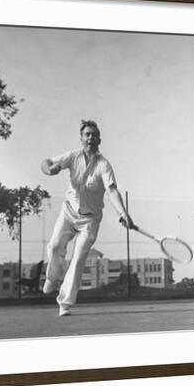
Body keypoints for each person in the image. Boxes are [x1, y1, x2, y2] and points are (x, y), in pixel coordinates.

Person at [41, 120, 134, 316]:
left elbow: (112, 190)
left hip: (90, 221)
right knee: (55, 247)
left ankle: (64, 303)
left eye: (94, 134)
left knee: (78, 259)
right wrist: (50, 170)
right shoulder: (72, 156)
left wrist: (123, 213)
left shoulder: (104, 165)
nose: (90, 137)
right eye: (87, 134)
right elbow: (46, 162)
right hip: (68, 212)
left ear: (99, 139)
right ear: (82, 138)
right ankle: (52, 278)